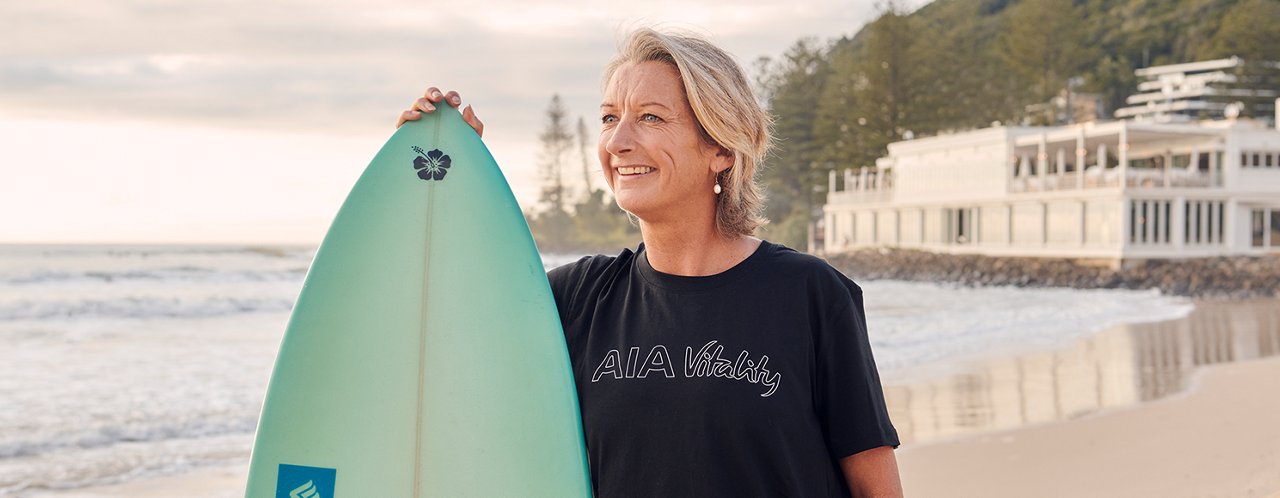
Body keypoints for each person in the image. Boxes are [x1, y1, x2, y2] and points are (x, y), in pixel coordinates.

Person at [398, 27, 902, 498]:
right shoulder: (577, 299)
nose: (618, 142)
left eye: (651, 117)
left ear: (720, 147)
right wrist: (440, 179)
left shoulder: (811, 295)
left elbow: (876, 489)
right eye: (609, 118)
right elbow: (444, 331)